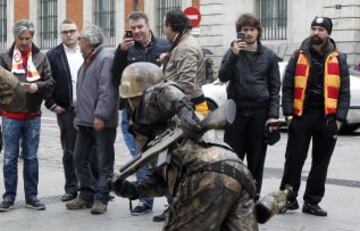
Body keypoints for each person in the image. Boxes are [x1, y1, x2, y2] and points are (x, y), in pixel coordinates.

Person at [110, 62, 259, 230]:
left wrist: (183, 108)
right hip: (236, 170)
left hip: (206, 174)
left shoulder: (152, 101)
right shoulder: (163, 125)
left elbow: (164, 91)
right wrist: (134, 190)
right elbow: (164, 178)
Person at [279, 16, 350, 216]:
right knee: (293, 160)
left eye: (321, 29)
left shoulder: (339, 58)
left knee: (320, 163)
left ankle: (311, 202)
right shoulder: (298, 55)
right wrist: (288, 115)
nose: (316, 32)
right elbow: (288, 86)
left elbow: (344, 92)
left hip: (327, 118)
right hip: (302, 115)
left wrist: (339, 119)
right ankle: (288, 199)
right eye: (314, 28)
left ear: (328, 33)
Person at [111, 11, 170, 217]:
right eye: (133, 28)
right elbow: (115, 78)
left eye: (140, 27)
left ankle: (173, 203)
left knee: (167, 157)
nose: (136, 32)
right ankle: (145, 201)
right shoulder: (125, 50)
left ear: (148, 26)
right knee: (141, 158)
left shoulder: (164, 46)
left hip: (160, 113)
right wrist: (120, 52)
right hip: (134, 115)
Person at [218, 13, 281, 199]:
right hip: (236, 112)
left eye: (252, 29)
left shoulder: (268, 55)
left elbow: (275, 86)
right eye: (244, 30)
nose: (248, 33)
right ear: (239, 32)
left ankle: (252, 197)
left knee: (256, 160)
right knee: (232, 158)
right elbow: (222, 77)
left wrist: (273, 115)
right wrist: (234, 55)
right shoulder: (232, 53)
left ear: (258, 31)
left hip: (259, 113)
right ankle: (230, 196)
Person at [0, 19, 54, 212]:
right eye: (21, 38)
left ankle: (32, 197)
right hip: (9, 116)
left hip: (33, 116)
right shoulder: (4, 58)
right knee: (9, 158)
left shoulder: (41, 57)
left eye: (28, 38)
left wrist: (36, 86)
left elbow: (50, 82)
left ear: (32, 37)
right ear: (15, 37)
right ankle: (8, 197)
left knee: (31, 157)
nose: (25, 42)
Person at [65, 24, 118, 215]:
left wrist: (100, 115)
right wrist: (79, 115)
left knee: (104, 162)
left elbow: (108, 91)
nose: (79, 43)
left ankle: (101, 198)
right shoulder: (87, 60)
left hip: (101, 122)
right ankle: (86, 194)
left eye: (81, 40)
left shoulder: (106, 59)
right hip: (85, 121)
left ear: (89, 42)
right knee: (78, 158)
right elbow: (82, 93)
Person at [45, 19, 83, 202]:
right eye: (65, 32)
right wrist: (51, 103)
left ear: (78, 32)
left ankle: (94, 187)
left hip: (87, 108)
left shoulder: (86, 50)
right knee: (69, 150)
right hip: (67, 109)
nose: (69, 35)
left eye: (72, 31)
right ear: (60, 34)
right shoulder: (54, 54)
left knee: (91, 149)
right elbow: (47, 80)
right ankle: (71, 188)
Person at [163, 9, 209, 116]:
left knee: (193, 131)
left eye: (164, 26)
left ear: (170, 26)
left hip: (189, 104)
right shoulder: (184, 42)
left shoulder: (185, 47)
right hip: (193, 102)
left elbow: (186, 85)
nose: (164, 30)